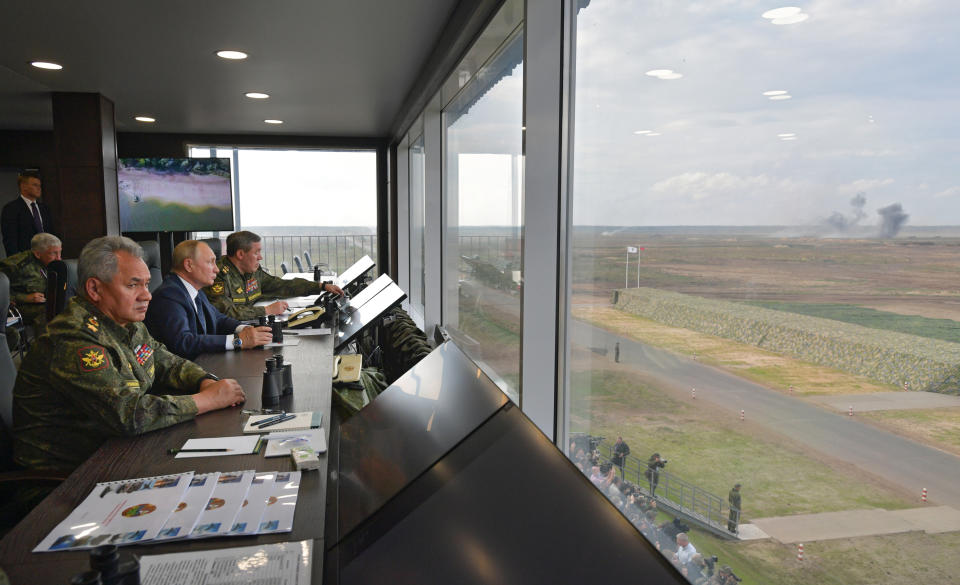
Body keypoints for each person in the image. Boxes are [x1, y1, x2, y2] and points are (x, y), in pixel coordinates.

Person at [12, 236, 246, 472]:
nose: (147, 295)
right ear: (94, 289)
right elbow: (127, 414)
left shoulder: (127, 322)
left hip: (117, 454)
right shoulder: (73, 337)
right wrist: (208, 399)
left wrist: (204, 380)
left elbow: (165, 361)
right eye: (133, 285)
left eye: (146, 284)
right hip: (65, 480)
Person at [145, 240, 273, 359]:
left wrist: (244, 329)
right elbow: (183, 342)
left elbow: (217, 319)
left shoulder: (194, 289)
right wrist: (238, 341)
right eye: (210, 262)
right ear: (189, 265)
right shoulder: (169, 295)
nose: (216, 269)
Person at [204, 230, 343, 320]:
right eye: (256, 252)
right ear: (240, 254)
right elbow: (226, 312)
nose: (260, 257)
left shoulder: (252, 272)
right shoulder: (218, 275)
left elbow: (281, 286)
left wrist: (321, 286)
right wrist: (267, 310)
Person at [0, 232, 62, 337]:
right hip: (16, 307)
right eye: (54, 253)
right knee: (47, 311)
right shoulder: (15, 265)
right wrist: (25, 298)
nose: (59, 258)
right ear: (38, 254)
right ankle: (43, 349)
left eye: (60, 252)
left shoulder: (51, 263)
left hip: (42, 302)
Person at [1, 172, 56, 256]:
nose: (39, 188)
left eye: (39, 185)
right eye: (35, 185)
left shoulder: (44, 208)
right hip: (26, 259)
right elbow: (10, 239)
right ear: (23, 186)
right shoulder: (11, 208)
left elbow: (51, 234)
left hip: (47, 257)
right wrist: (17, 263)